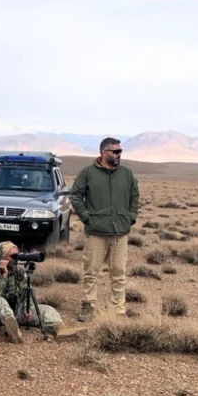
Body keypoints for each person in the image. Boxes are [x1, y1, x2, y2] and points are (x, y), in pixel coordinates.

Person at [69, 137, 140, 322]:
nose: (119, 155)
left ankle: (119, 310)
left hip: (120, 232)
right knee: (91, 272)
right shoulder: (88, 173)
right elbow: (76, 196)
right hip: (96, 232)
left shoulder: (126, 174)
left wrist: (131, 216)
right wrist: (87, 218)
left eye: (120, 151)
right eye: (115, 152)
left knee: (118, 273)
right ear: (103, 153)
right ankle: (88, 307)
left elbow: (134, 195)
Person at [0, 241, 70, 341]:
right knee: (0, 301)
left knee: (47, 309)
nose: (16, 258)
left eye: (17, 255)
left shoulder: (19, 271)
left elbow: (27, 292)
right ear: (2, 257)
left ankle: (62, 330)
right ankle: (14, 332)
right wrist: (4, 275)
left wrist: (29, 309)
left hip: (15, 310)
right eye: (12, 256)